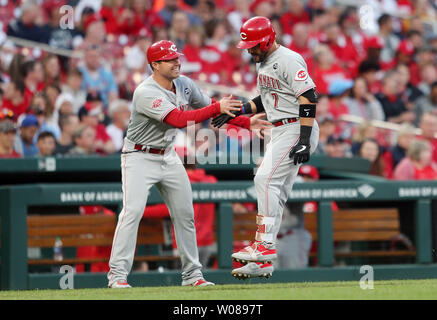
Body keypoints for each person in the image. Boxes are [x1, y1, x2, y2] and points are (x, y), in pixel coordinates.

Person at [106, 39, 271, 288]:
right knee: (132, 213)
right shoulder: (145, 91)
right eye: (170, 59)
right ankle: (117, 276)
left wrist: (246, 124)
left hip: (168, 153)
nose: (176, 62)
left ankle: (192, 276)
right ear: (155, 64)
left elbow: (210, 110)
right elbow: (179, 119)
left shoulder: (183, 83)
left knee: (185, 214)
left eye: (176, 57)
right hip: (139, 156)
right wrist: (217, 106)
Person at [211, 17, 319, 280]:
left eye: (253, 45)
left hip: (295, 127)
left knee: (264, 178)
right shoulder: (266, 63)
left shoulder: (289, 59)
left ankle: (264, 246)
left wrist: (304, 137)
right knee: (277, 191)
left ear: (268, 40)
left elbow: (309, 96)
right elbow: (267, 99)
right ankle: (263, 261)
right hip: (279, 128)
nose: (249, 50)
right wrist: (238, 110)